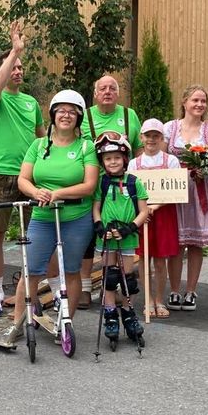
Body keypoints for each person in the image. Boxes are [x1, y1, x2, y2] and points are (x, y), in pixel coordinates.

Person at [4, 90, 99, 344]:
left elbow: (89, 185)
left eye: (71, 111)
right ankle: (17, 323)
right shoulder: (38, 145)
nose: (65, 115)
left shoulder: (86, 147)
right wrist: (37, 192)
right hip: (43, 216)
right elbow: (23, 179)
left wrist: (58, 193)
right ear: (53, 114)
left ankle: (66, 323)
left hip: (76, 216)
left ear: (78, 117)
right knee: (31, 270)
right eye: (61, 110)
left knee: (71, 271)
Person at [0, 22, 45, 318]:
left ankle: (28, 292)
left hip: (28, 177)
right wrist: (14, 49)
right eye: (13, 67)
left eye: (21, 67)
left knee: (35, 234)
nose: (18, 71)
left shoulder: (32, 103)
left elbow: (42, 139)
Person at [73, 76, 143, 308]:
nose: (107, 92)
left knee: (122, 236)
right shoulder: (85, 117)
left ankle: (123, 287)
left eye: (112, 88)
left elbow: (139, 150)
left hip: (122, 187)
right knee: (89, 238)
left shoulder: (129, 115)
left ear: (118, 93)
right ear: (94, 93)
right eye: (102, 88)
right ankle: (84, 287)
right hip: (92, 185)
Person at [163, 85, 208, 312]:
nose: (199, 105)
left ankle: (191, 291)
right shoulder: (170, 128)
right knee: (176, 243)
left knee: (195, 243)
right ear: (184, 102)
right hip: (176, 189)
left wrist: (205, 170)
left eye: (203, 101)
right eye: (195, 100)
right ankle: (175, 290)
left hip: (199, 190)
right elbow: (162, 157)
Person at [92, 133, 149, 339]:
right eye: (108, 158)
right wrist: (98, 225)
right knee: (109, 277)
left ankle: (127, 310)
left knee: (128, 279)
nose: (113, 162)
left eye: (117, 157)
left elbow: (144, 211)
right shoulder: (102, 182)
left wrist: (130, 228)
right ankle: (110, 313)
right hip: (106, 238)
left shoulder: (134, 182)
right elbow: (96, 207)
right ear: (102, 162)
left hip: (127, 237)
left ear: (125, 159)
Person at [128, 119, 179, 317]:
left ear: (162, 138)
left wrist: (155, 206)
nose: (151, 139)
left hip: (163, 214)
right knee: (143, 258)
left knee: (160, 259)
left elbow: (176, 190)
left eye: (156, 136)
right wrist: (143, 210)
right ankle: (148, 299)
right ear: (141, 138)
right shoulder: (134, 163)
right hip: (142, 216)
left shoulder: (170, 161)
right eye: (148, 135)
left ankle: (159, 299)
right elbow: (130, 191)